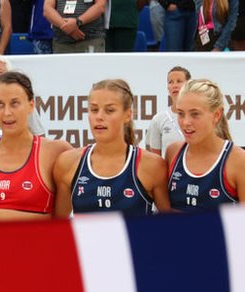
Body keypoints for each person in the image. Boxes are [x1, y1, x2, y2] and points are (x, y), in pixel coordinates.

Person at [0, 71, 72, 222]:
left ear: (31, 105)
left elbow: (62, 218)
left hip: (37, 245)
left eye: (15, 103)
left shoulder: (56, 152)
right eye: (0, 104)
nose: (7, 113)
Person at [54, 79, 170, 217]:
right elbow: (57, 226)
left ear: (127, 115)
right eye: (94, 110)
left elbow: (171, 227)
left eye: (109, 110)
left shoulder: (152, 166)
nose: (99, 117)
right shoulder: (68, 163)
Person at [164, 78, 245, 210]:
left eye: (195, 114)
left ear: (216, 115)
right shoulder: (173, 152)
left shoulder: (241, 162)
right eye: (181, 114)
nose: (186, 122)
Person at [146, 65, 190, 157]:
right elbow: (155, 159)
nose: (175, 85)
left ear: (189, 85)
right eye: (171, 82)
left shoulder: (198, 117)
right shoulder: (159, 119)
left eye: (179, 81)